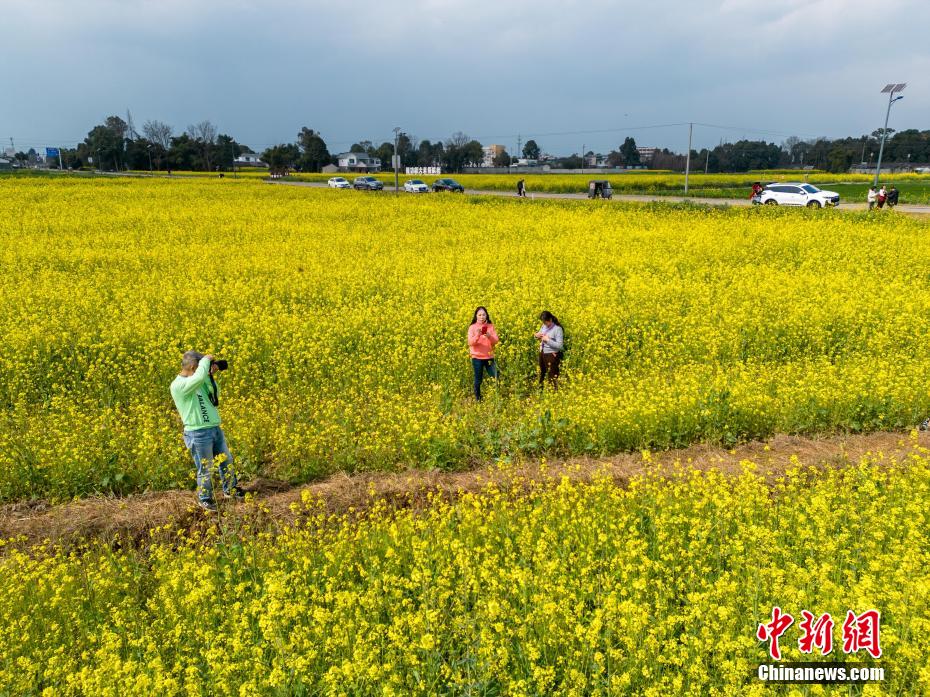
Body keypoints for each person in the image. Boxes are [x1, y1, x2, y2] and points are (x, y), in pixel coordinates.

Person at [170, 350, 245, 511]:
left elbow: (213, 392)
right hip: (197, 433)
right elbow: (198, 377)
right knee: (206, 468)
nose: (202, 371)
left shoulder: (198, 380)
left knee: (227, 460)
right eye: (199, 367)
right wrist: (206, 360)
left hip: (214, 428)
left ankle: (230, 489)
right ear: (192, 366)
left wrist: (210, 373)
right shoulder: (178, 385)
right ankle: (205, 498)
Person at [467, 307, 500, 400]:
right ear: (476, 316)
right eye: (480, 315)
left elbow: (496, 341)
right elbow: (470, 343)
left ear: (487, 315)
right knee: (478, 379)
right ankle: (478, 398)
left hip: (489, 356)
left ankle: (496, 396)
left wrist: (489, 336)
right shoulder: (472, 327)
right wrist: (477, 335)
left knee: (496, 376)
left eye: (484, 315)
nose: (482, 317)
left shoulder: (490, 326)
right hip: (477, 357)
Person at [533, 310, 564, 389]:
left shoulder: (558, 329)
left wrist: (548, 340)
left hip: (552, 355)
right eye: (543, 322)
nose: (544, 324)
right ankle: (540, 391)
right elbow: (539, 335)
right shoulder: (544, 326)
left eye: (545, 322)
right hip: (542, 353)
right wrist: (536, 335)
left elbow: (560, 346)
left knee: (552, 375)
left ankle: (554, 393)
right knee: (541, 373)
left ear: (550, 319)